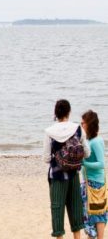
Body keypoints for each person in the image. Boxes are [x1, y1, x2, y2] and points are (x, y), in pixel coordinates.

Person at [43, 99, 91, 239]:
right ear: (69, 112)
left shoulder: (49, 132)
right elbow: (87, 153)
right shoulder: (78, 129)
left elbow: (46, 158)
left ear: (55, 114)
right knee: (75, 210)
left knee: (57, 211)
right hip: (73, 176)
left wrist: (58, 158)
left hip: (57, 177)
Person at [80, 110, 107, 239]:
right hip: (88, 181)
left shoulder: (96, 141)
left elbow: (102, 164)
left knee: (98, 212)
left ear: (89, 124)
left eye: (83, 123)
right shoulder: (88, 140)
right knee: (91, 213)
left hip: (95, 182)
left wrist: (84, 164)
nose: (81, 125)